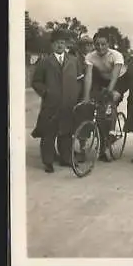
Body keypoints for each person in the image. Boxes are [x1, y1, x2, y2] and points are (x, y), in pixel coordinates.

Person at [31, 30, 83, 173]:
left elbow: (79, 80)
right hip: (51, 104)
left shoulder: (73, 60)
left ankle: (66, 158)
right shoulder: (45, 62)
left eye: (62, 43)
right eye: (57, 43)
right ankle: (48, 162)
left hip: (68, 103)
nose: (60, 45)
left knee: (66, 132)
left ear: (66, 45)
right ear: (52, 45)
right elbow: (36, 82)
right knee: (49, 133)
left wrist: (75, 95)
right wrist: (46, 92)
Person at [83, 33, 128, 162]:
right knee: (97, 104)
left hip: (119, 79)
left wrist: (109, 93)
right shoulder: (90, 56)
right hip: (102, 78)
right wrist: (86, 97)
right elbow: (88, 77)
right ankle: (101, 134)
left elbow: (114, 76)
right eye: (97, 44)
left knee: (111, 99)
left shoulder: (116, 55)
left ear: (109, 44)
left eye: (103, 44)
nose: (100, 47)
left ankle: (111, 132)